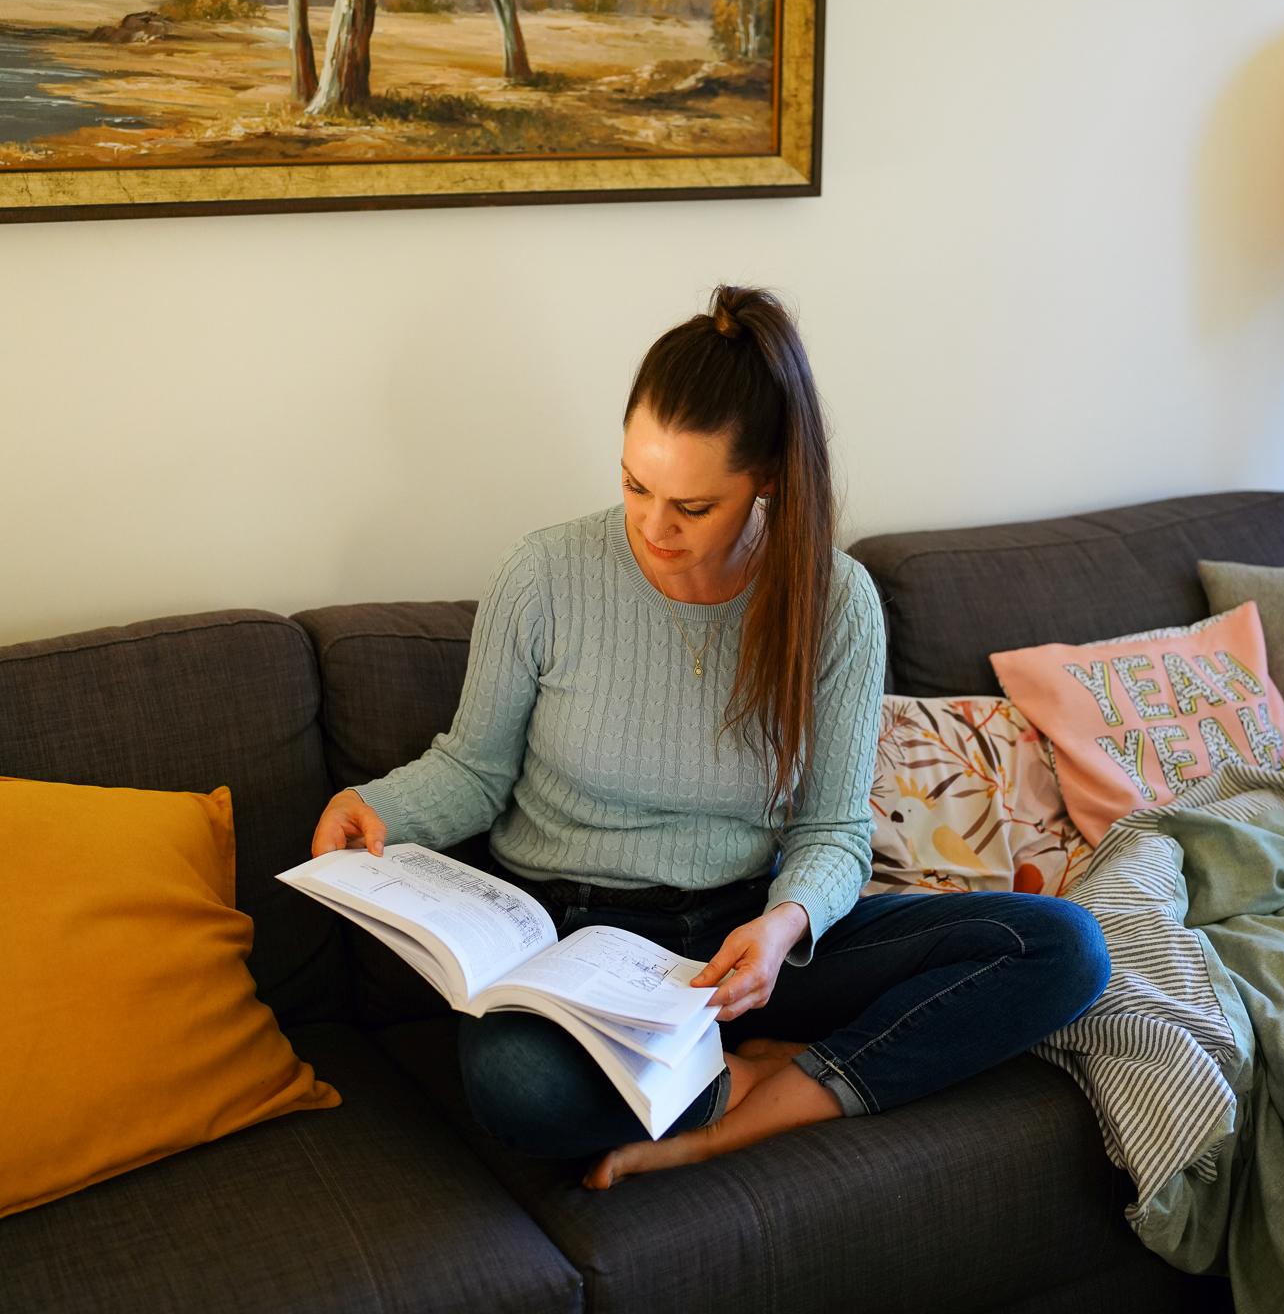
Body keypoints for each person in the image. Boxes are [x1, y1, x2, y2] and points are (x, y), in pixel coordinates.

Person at [311, 284, 1110, 1189]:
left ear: (764, 477)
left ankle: (766, 1098)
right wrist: (374, 805)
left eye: (692, 506)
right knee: (518, 1091)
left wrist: (782, 926)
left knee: (1061, 949)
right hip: (575, 942)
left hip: (741, 943)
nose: (654, 528)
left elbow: (832, 831)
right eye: (634, 485)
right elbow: (475, 769)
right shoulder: (543, 574)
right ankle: (738, 1072)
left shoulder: (833, 602)